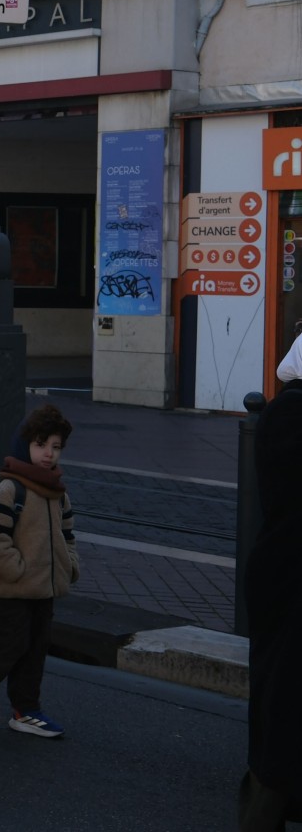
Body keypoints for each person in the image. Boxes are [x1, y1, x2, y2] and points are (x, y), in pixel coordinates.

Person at [0, 403, 77, 739]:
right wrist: (15, 570)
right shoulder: (10, 489)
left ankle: (26, 711)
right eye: (41, 445)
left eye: (56, 447)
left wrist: (70, 566)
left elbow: (68, 534)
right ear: (25, 445)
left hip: (45, 591)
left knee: (35, 653)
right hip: (12, 590)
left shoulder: (58, 494)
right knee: (5, 649)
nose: (49, 454)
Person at [244, 336, 302, 829]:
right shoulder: (290, 415)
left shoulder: (282, 413)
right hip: (290, 574)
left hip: (279, 569)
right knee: (285, 703)